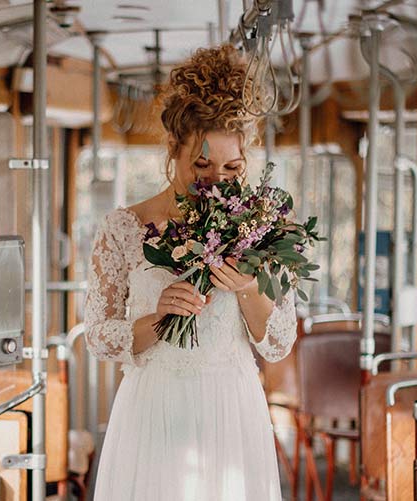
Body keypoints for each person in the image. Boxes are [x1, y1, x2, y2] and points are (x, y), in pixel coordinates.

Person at [84, 45, 297, 501]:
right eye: (201, 164)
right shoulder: (123, 227)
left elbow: (278, 343)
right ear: (173, 149)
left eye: (232, 167)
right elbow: (99, 336)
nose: (216, 179)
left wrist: (246, 288)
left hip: (232, 409)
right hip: (152, 411)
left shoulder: (263, 229)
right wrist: (157, 319)